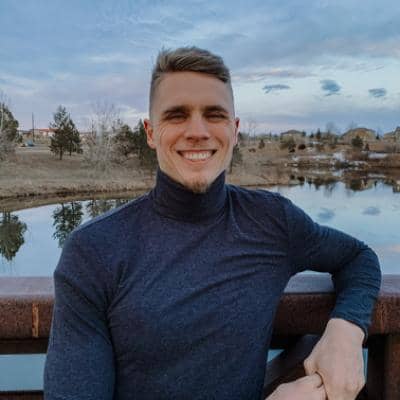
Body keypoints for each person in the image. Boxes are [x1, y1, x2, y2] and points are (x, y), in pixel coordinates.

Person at [44, 47, 381, 400]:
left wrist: (345, 332)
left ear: (234, 131)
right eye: (177, 115)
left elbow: (358, 258)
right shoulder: (94, 252)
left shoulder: (272, 221)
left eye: (214, 114)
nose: (198, 131)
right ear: (150, 132)